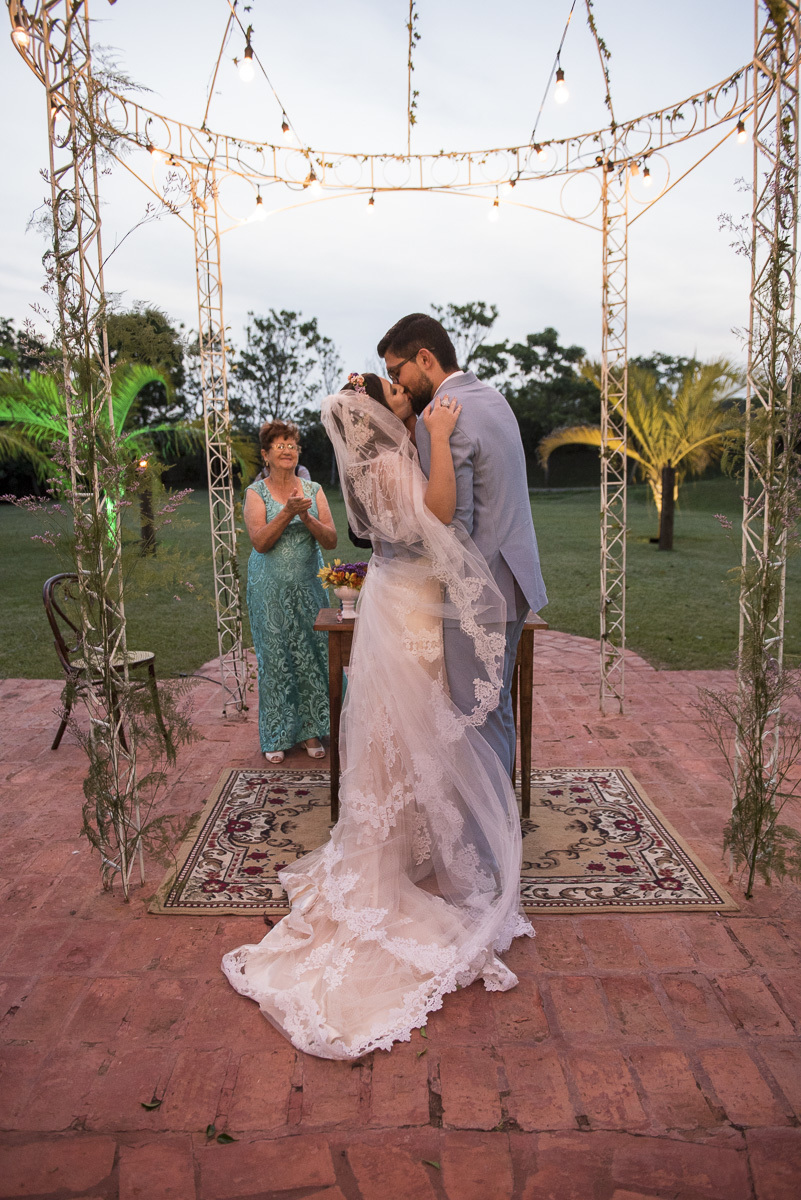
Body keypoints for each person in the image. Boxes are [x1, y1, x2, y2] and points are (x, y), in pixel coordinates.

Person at [222, 373, 532, 1059]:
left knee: (391, 731)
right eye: (389, 400)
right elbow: (440, 520)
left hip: (388, 599)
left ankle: (397, 840)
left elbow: (366, 537)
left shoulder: (360, 472)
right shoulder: (399, 461)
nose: (401, 405)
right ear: (376, 423)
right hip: (417, 600)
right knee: (425, 727)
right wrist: (439, 440)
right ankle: (421, 848)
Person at [377, 313, 547, 776]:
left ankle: (489, 844)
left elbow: (452, 524)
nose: (398, 384)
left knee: (476, 718)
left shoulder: (442, 417)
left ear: (425, 358)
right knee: (497, 710)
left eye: (398, 372)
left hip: (479, 592)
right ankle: (504, 828)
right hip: (516, 580)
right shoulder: (491, 399)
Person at [243, 419, 337, 764]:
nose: (287, 450)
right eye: (279, 445)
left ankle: (311, 730)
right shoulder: (255, 493)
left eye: (292, 445)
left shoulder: (313, 490)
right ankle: (277, 733)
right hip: (268, 588)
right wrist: (286, 512)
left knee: (312, 654)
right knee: (277, 657)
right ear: (266, 455)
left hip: (308, 586)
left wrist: (307, 517)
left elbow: (330, 538)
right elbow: (261, 542)